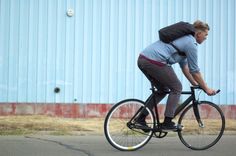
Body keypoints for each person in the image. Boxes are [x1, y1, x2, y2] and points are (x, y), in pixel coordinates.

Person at [137, 20, 217, 131]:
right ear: (198, 34)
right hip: (154, 61)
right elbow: (195, 71)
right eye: (206, 34)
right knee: (177, 87)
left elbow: (186, 68)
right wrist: (206, 88)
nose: (206, 38)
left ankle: (140, 119)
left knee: (162, 89)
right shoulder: (191, 44)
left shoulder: (183, 40)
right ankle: (167, 122)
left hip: (143, 59)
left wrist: (195, 84)